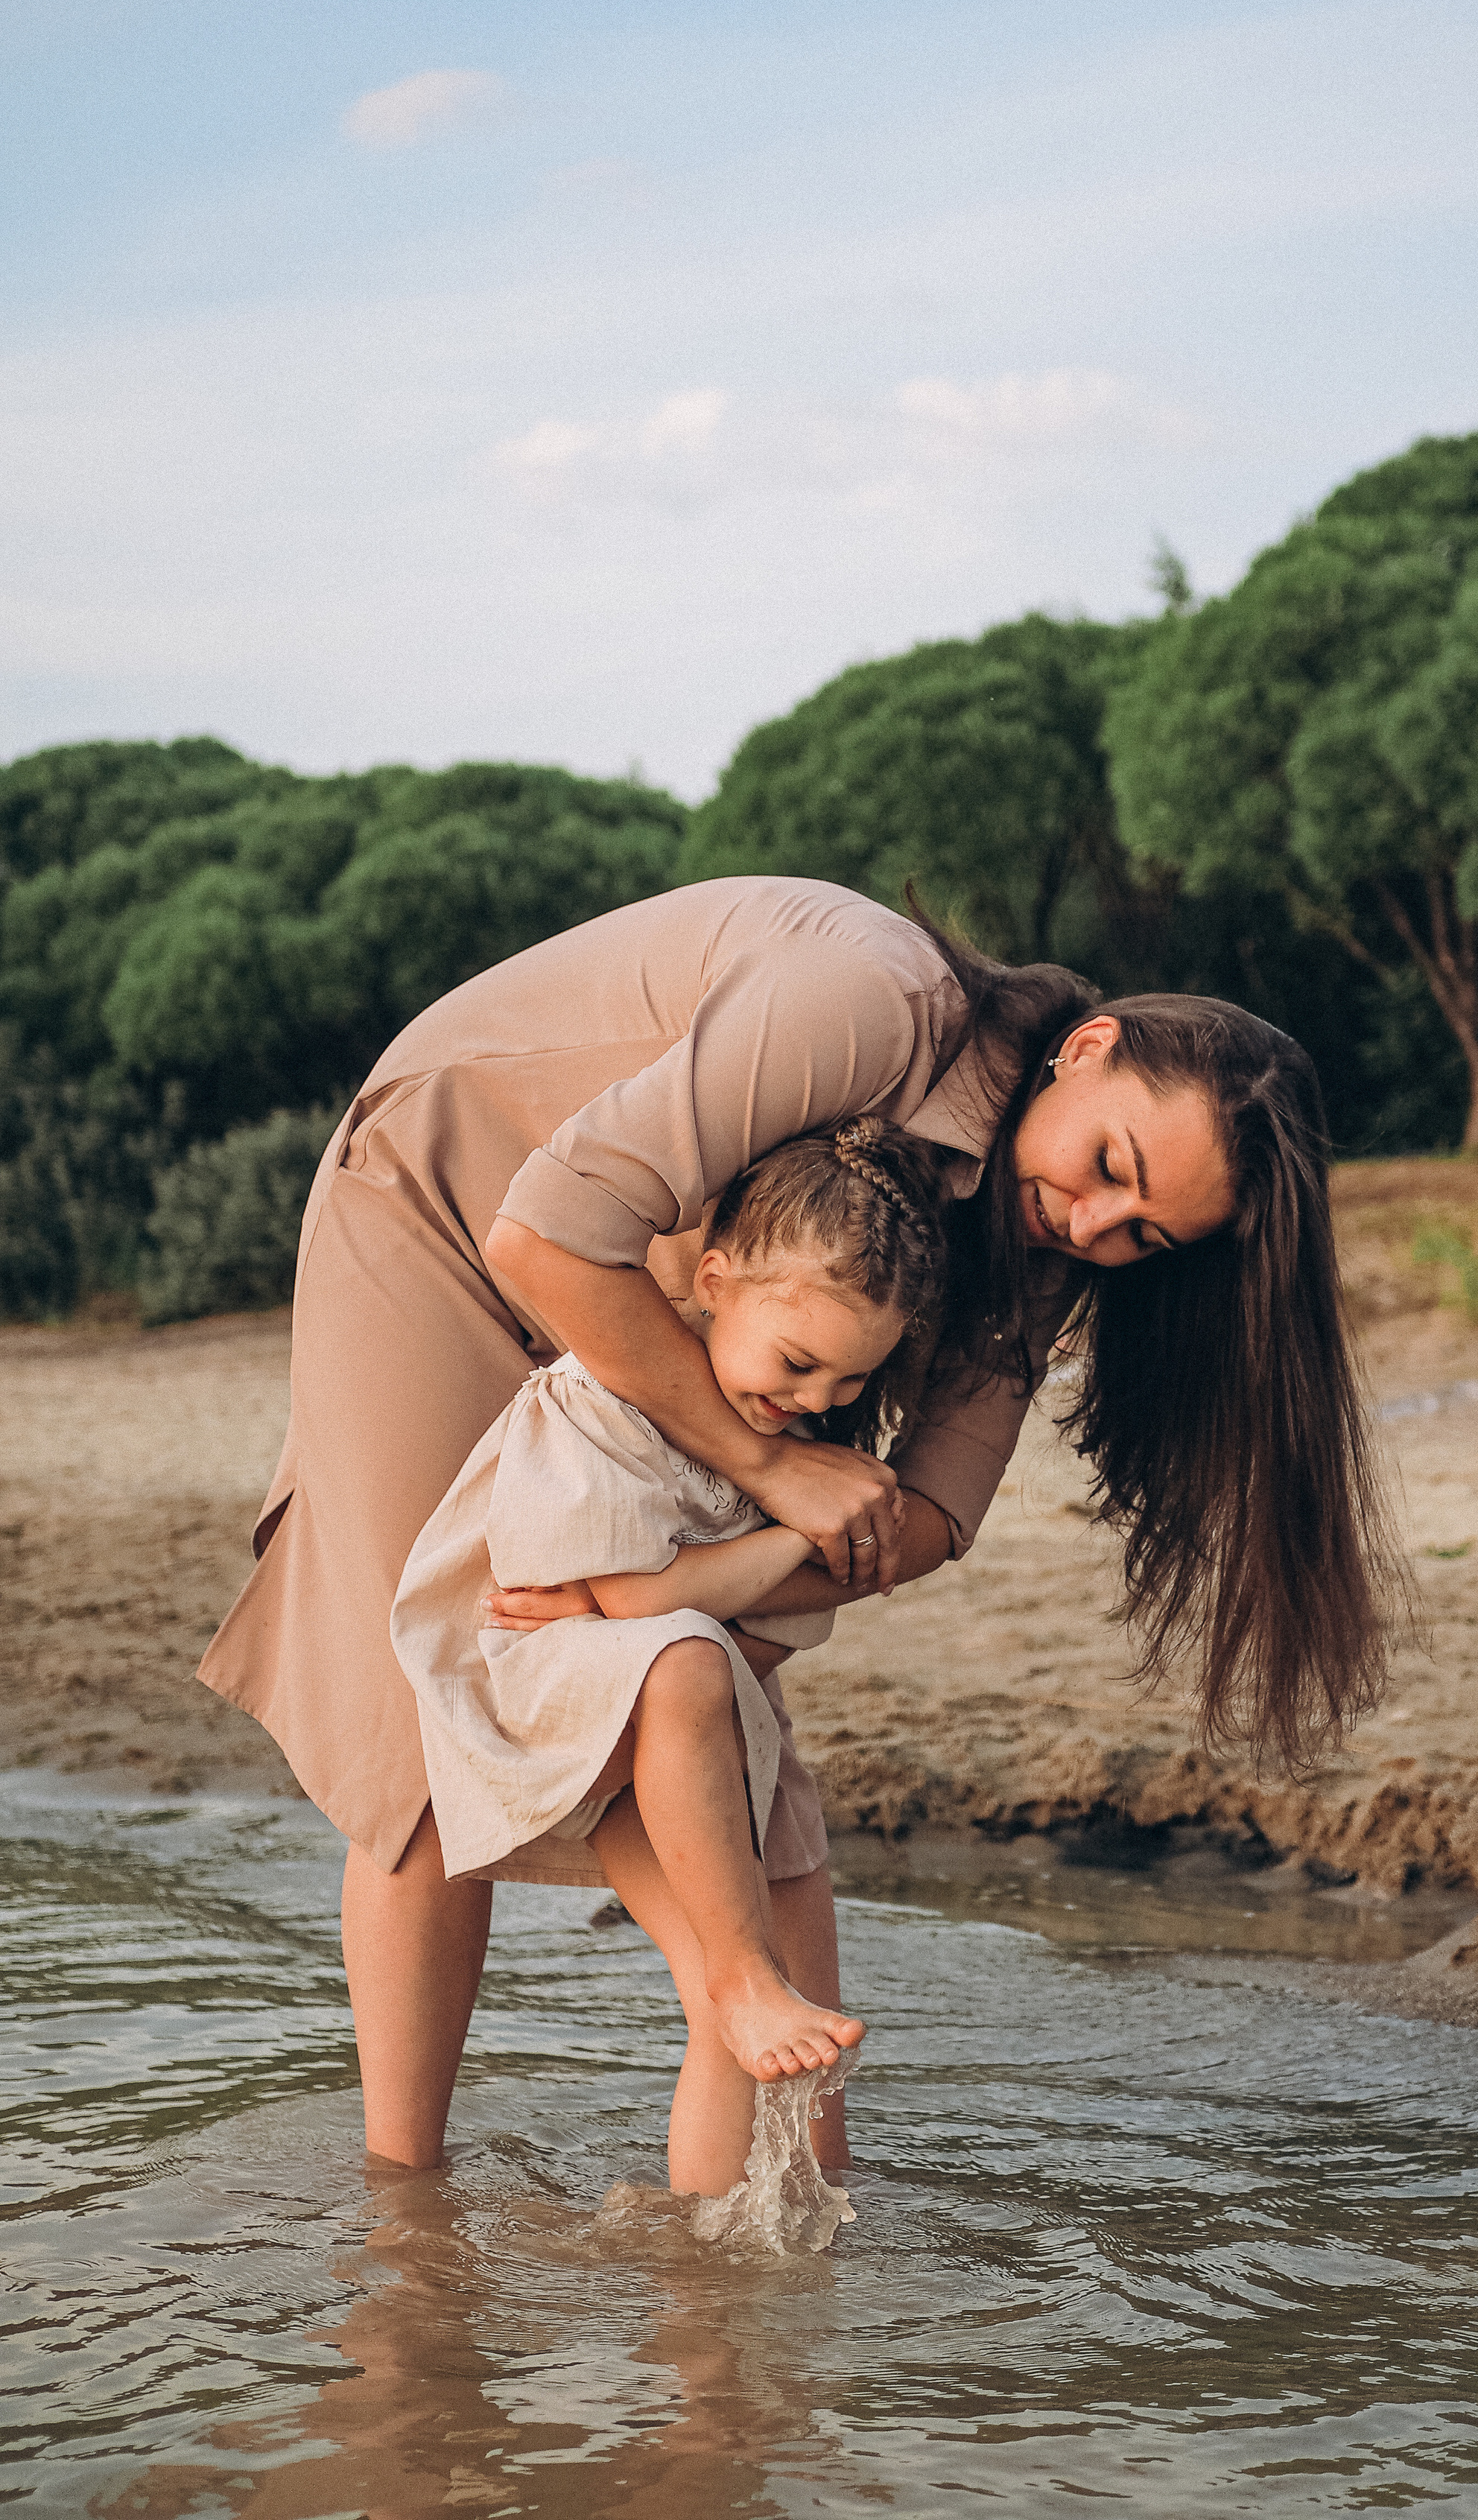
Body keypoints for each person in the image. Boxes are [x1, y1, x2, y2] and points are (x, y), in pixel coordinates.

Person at [199, 876, 1402, 2174]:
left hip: (674, 1319)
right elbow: (548, 1239)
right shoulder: (875, 1003)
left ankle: (777, 2236)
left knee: (749, 1780)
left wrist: (686, 1596)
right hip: (446, 1206)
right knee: (430, 1732)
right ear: (1089, 1046)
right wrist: (772, 1478)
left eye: (1145, 1233)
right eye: (1112, 1165)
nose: (1096, 1221)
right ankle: (407, 2216)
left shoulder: (1043, 1241)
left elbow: (932, 1510)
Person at [390, 1120, 946, 2196]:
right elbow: (642, 1600)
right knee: (686, 1656)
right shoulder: (601, 1403)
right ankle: (748, 1973)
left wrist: (752, 1534)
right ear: (713, 1279)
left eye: (848, 1380)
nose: (818, 1400)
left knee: (716, 2006)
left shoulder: (795, 1437)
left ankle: (706, 2287)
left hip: (659, 1739)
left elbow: (747, 1630)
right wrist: (791, 1526)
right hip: (531, 1693)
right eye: (798, 1360)